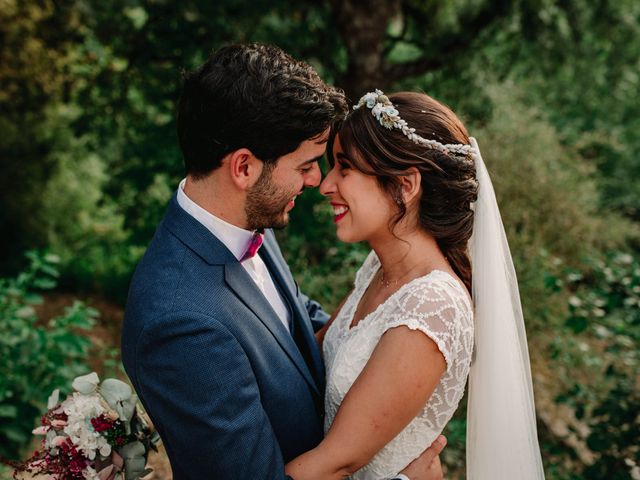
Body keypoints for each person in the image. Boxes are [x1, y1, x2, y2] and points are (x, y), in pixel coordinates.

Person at [121, 44, 445, 480]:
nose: (317, 180)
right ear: (244, 168)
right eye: (307, 164)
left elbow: (292, 331)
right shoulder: (180, 323)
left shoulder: (248, 225)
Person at [284, 90, 545, 479]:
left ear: (405, 186)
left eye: (345, 168)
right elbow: (308, 358)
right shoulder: (379, 268)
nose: (326, 185)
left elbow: (336, 463)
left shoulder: (431, 306)